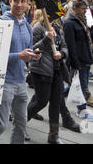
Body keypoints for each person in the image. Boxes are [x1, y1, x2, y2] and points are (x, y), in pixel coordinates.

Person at [0, 0, 41, 144]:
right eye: (16, 0)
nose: (19, 4)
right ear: (10, 1)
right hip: (4, 82)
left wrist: (34, 56)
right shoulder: (1, 23)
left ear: (28, 4)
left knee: (21, 124)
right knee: (0, 124)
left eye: (23, 1)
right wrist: (18, 56)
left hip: (21, 82)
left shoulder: (28, 26)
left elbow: (27, 56)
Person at [27, 9, 68, 144]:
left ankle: (53, 136)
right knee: (41, 101)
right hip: (41, 71)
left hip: (56, 71)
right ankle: (20, 124)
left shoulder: (57, 28)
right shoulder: (37, 28)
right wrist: (46, 39)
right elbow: (31, 49)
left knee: (55, 104)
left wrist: (61, 54)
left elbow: (64, 47)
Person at [63, 0, 93, 121]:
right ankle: (81, 109)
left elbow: (86, 38)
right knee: (82, 86)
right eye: (83, 9)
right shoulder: (69, 23)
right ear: (75, 8)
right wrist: (75, 62)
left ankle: (57, 97)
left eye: (86, 8)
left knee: (76, 84)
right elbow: (70, 45)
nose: (85, 11)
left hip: (86, 57)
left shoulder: (82, 21)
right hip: (79, 60)